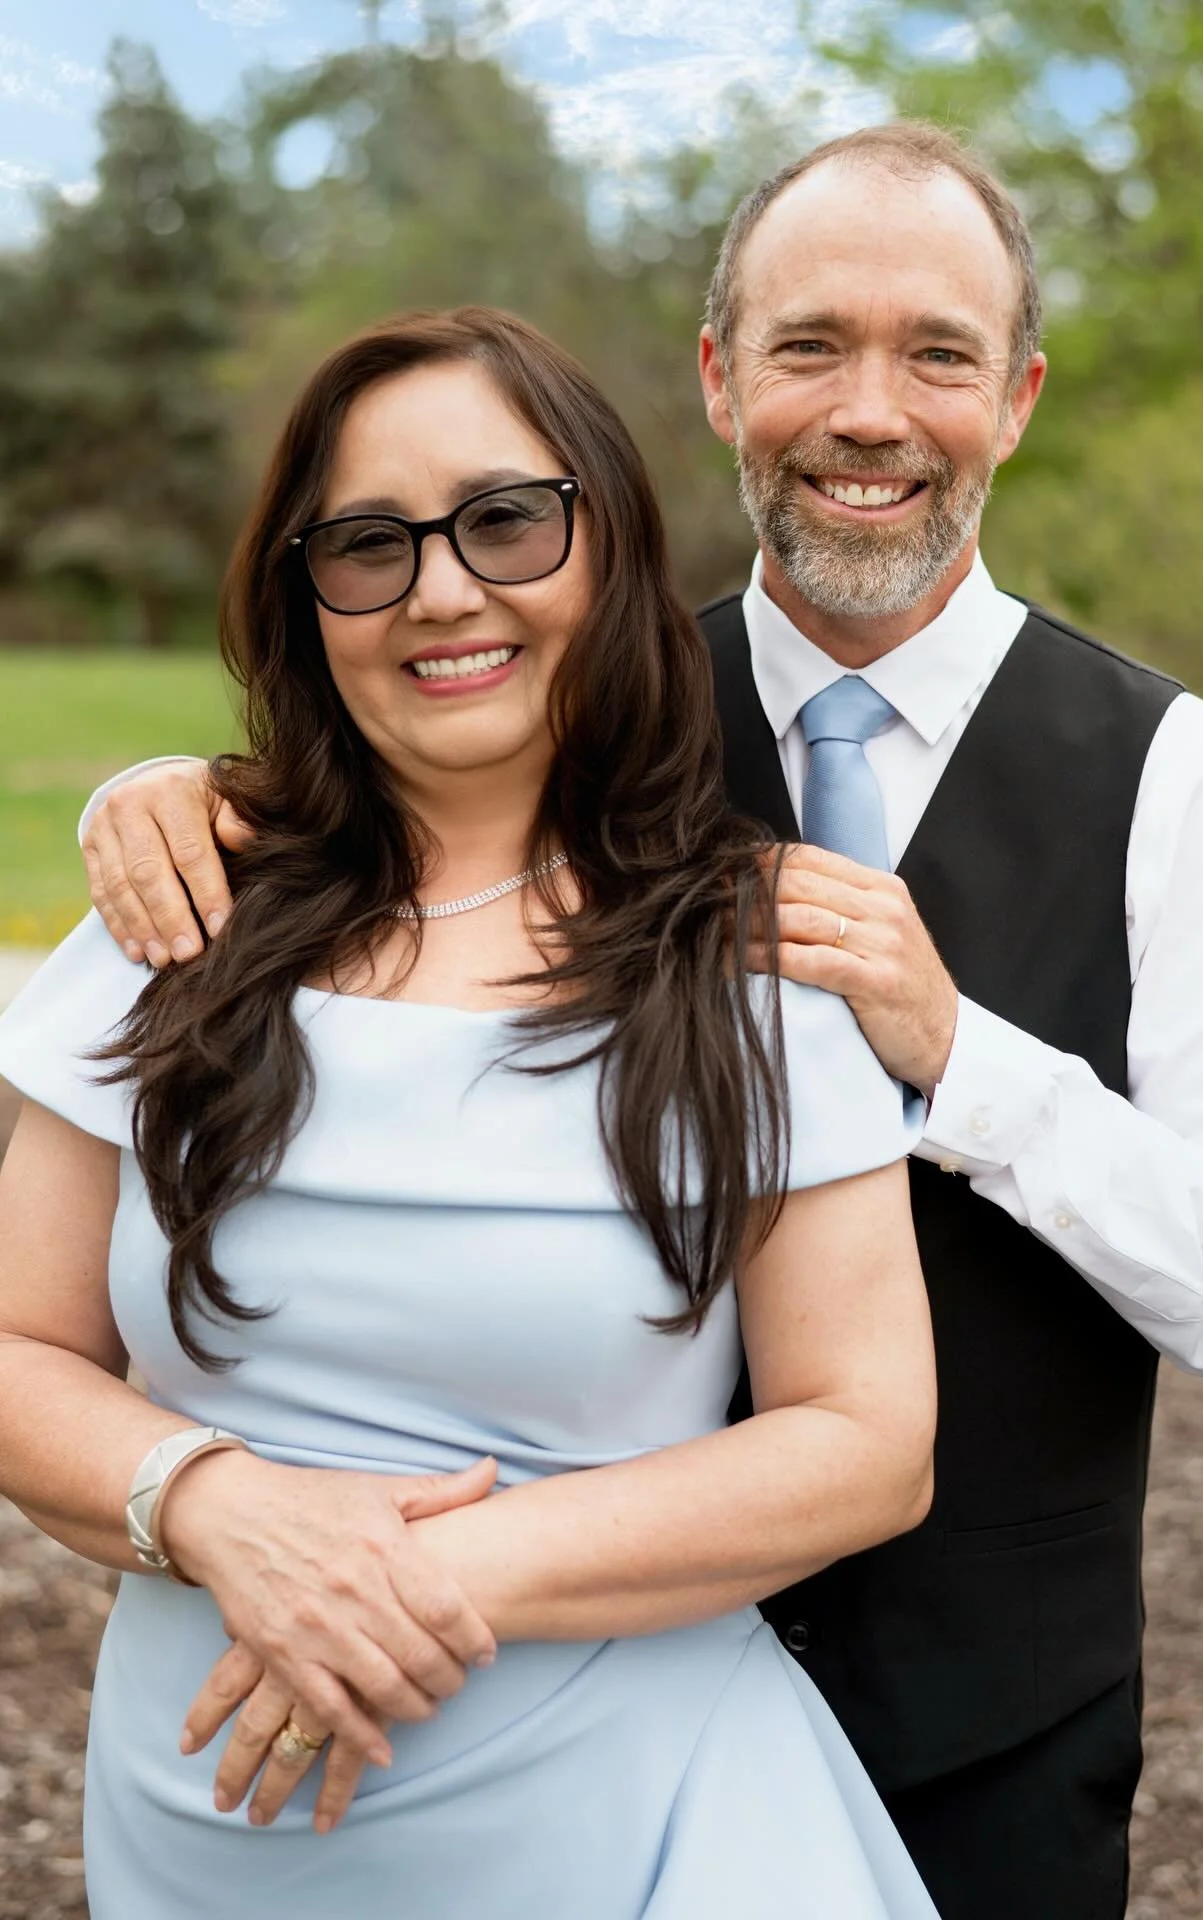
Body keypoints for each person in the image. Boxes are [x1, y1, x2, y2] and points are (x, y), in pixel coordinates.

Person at [74, 122, 1203, 1917]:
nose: (870, 412)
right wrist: (160, 795)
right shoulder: (558, 689)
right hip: (514, 1693)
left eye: (937, 354)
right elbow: (365, 811)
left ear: (1019, 398)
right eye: (808, 347)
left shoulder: (1177, 774)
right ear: (716, 379)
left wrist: (961, 1057)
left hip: (988, 1703)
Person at [0, 306, 945, 1919]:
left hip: (649, 1830)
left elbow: (867, 1444)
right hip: (203, 1836)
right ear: (306, 603)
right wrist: (225, 1513)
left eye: (505, 519)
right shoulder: (174, 919)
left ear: (608, 548)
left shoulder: (749, 953)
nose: (442, 589)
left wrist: (406, 1580)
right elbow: (18, 1350)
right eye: (368, 544)